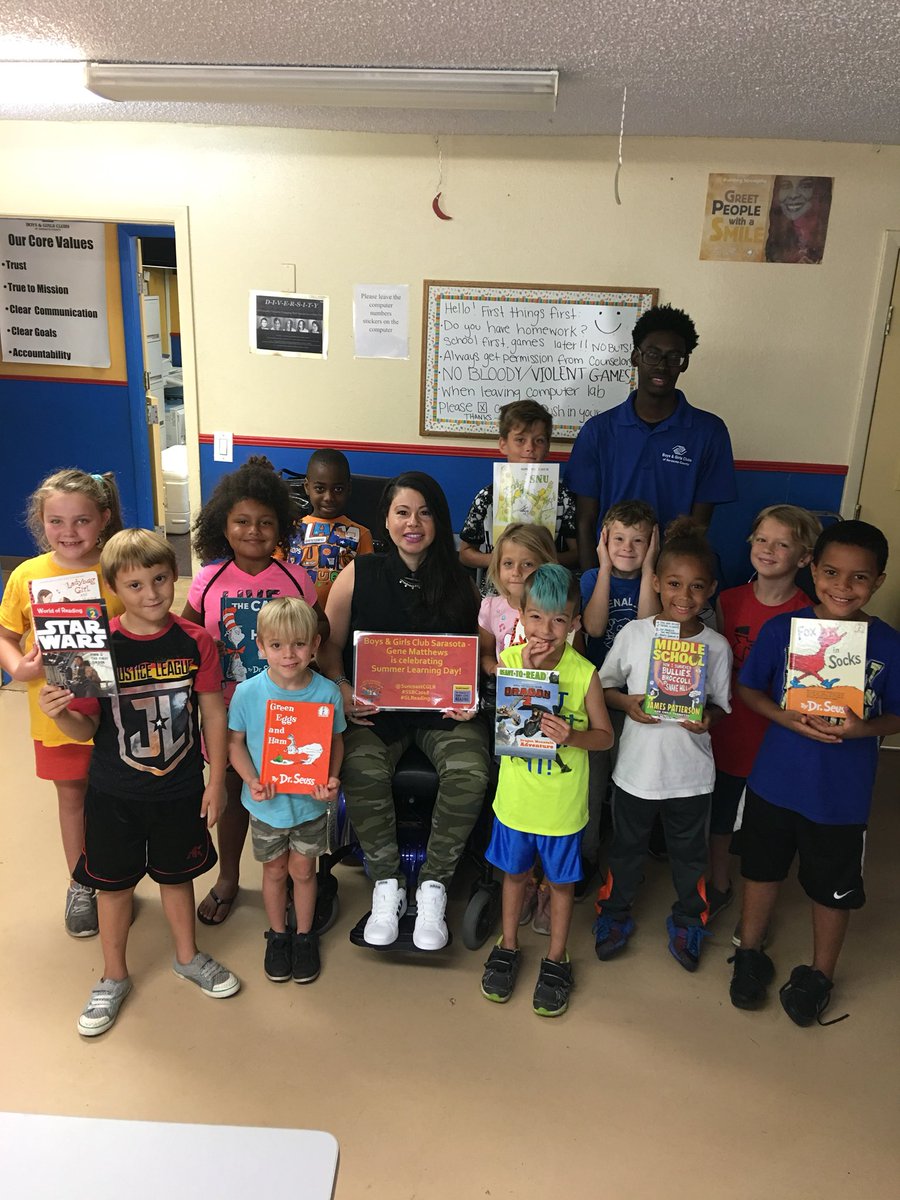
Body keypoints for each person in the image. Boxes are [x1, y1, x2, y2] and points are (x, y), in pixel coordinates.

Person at [37, 529, 241, 1037]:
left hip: (179, 788)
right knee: (112, 888)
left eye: (160, 579)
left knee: (178, 876)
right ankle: (112, 976)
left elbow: (213, 713)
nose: (151, 594)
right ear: (114, 588)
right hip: (114, 792)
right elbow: (85, 727)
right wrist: (60, 715)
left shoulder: (196, 641)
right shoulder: (97, 643)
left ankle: (187, 956)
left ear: (175, 576)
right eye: (134, 585)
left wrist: (217, 780)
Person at [728, 520, 900, 1025]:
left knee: (833, 886)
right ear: (813, 570)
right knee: (761, 870)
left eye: (859, 578)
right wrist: (786, 717)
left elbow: (898, 713)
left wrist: (860, 728)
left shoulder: (889, 644)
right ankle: (749, 952)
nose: (843, 587)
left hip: (840, 798)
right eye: (831, 573)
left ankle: (821, 973)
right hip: (774, 782)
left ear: (879, 582)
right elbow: (750, 689)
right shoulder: (786, 630)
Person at [318, 471, 490, 950]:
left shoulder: (459, 578)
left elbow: (478, 650)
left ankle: (434, 886)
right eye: (402, 512)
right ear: (387, 520)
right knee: (359, 767)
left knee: (470, 772)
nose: (413, 522)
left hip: (443, 716)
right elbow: (330, 646)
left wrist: (469, 692)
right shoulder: (360, 571)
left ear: (438, 519)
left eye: (425, 511)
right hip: (375, 713)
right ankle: (387, 885)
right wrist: (342, 687)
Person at [184, 456, 328, 928]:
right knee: (232, 791)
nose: (253, 531)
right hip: (226, 712)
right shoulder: (206, 580)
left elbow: (315, 637)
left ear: (281, 528)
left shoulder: (294, 579)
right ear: (222, 525)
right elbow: (185, 637)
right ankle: (228, 877)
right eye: (242, 521)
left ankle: (289, 880)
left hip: (290, 716)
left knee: (283, 798)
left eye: (266, 522)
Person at [594, 518, 732, 971]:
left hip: (691, 776)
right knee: (626, 848)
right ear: (656, 582)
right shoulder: (635, 634)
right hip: (635, 770)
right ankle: (613, 914)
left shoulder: (715, 646)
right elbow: (606, 686)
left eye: (696, 587)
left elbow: (721, 707)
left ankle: (691, 919)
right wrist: (627, 704)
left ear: (710, 589)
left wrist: (707, 718)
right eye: (673, 584)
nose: (684, 597)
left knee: (691, 854)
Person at [480, 564, 613, 1016]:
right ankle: (509, 943)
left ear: (575, 622)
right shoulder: (510, 663)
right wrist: (524, 677)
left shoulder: (583, 673)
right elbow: (503, 719)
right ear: (519, 614)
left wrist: (571, 737)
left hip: (561, 807)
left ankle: (557, 955)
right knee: (513, 875)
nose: (547, 629)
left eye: (559, 620)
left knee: (559, 884)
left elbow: (605, 736)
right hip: (516, 803)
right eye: (536, 617)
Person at [0, 468, 124, 937]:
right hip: (56, 711)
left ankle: (117, 876)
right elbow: (6, 634)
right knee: (72, 796)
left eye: (81, 521)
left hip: (115, 713)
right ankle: (82, 883)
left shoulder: (116, 570)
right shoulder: (27, 575)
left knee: (114, 796)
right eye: (56, 521)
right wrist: (18, 667)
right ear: (40, 522)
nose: (69, 532)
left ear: (103, 518)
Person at [708, 505, 821, 925]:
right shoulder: (727, 600)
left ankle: (757, 906)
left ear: (805, 557)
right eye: (761, 540)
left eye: (782, 543)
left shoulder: (810, 616)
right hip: (725, 728)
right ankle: (720, 884)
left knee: (762, 823)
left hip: (775, 737)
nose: (768, 549)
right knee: (720, 814)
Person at [565, 304, 737, 571]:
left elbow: (698, 526)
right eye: (653, 355)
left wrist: (671, 582)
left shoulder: (709, 432)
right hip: (607, 577)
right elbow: (585, 520)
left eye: (674, 357)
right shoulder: (598, 431)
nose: (662, 366)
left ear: (685, 362)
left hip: (670, 580)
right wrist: (592, 582)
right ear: (636, 357)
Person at [228, 597, 344, 985]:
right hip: (267, 807)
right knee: (275, 871)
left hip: (309, 806)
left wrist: (331, 777)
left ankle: (305, 935)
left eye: (298, 644)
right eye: (276, 645)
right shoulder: (247, 693)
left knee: (304, 872)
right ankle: (278, 935)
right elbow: (235, 743)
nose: (288, 654)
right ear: (260, 646)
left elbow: (337, 740)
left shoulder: (327, 693)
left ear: (314, 645)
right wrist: (249, 778)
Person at [578, 500, 660, 891]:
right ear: (603, 542)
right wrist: (605, 570)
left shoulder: (656, 580)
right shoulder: (593, 577)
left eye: (639, 541)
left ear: (653, 545)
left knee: (630, 786)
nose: (627, 547)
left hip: (639, 703)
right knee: (592, 784)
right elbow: (594, 628)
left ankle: (627, 862)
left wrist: (649, 572)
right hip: (597, 701)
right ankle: (589, 854)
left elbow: (646, 628)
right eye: (618, 539)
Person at [459, 399, 577, 592]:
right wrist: (504, 561)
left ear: (548, 446)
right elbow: (465, 553)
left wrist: (541, 560)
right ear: (503, 444)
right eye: (520, 439)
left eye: (539, 440)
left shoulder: (562, 497)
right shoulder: (487, 497)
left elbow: (576, 553)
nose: (530, 447)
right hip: (498, 592)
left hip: (547, 592)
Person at [287, 449, 374, 603]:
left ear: (349, 489)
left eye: (338, 489)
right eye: (320, 488)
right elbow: (276, 573)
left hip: (343, 617)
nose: (329, 497)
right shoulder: (289, 530)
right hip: (296, 620)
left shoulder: (361, 534)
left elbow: (367, 583)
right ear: (307, 487)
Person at [478, 522, 558, 678]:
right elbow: (485, 654)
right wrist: (494, 670)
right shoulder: (491, 607)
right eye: (508, 564)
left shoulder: (559, 610)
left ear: (547, 567)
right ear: (498, 567)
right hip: (506, 695)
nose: (516, 572)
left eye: (527, 564)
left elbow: (577, 658)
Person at [765, 175, 833, 265]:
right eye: (785, 186)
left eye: (805, 186)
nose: (793, 195)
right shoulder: (773, 234)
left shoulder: (829, 235)